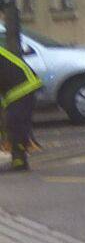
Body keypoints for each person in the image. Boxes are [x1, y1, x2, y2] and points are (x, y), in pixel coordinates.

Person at [0, 37, 42, 171]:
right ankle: (18, 159)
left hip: (22, 86)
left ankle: (19, 161)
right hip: (19, 86)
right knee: (14, 124)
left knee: (15, 124)